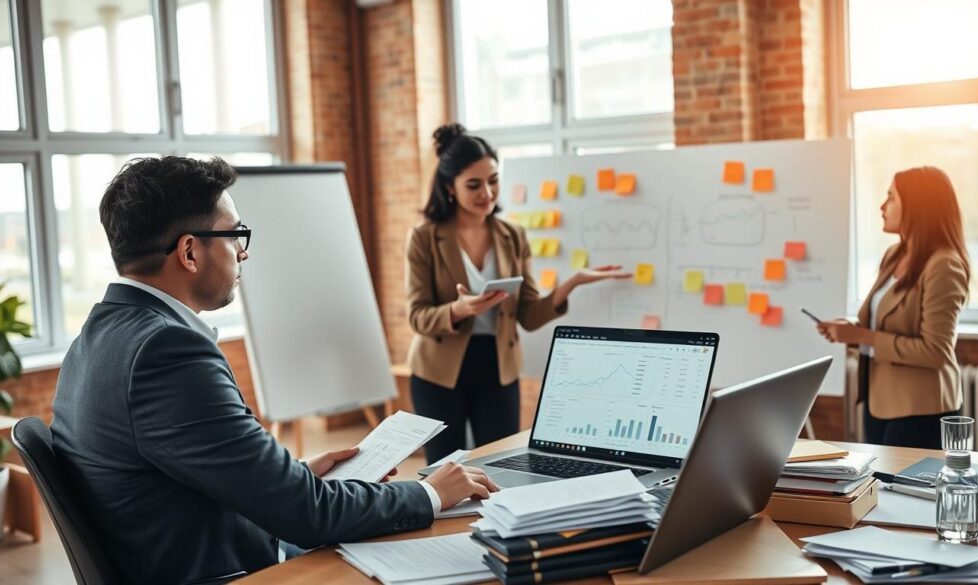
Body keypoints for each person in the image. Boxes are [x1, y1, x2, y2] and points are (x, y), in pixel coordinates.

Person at [51, 156, 498, 584]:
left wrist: (290, 472)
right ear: (189, 252)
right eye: (234, 236)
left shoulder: (97, 335)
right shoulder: (167, 352)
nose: (242, 254)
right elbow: (307, 514)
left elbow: (171, 472)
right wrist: (431, 493)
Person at [405, 124, 631, 464]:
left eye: (493, 180)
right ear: (450, 187)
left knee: (499, 468)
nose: (488, 192)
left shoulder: (513, 236)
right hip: (439, 373)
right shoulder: (424, 237)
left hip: (498, 369)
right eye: (474, 184)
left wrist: (571, 284)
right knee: (443, 472)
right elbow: (418, 315)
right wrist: (458, 310)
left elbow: (528, 314)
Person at [816, 166, 970, 449]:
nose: (882, 206)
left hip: (922, 410)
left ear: (918, 206)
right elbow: (884, 324)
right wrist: (850, 331)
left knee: (906, 493)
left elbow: (935, 352)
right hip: (879, 403)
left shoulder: (944, 265)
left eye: (891, 198)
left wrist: (861, 337)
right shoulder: (893, 255)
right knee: (879, 491)